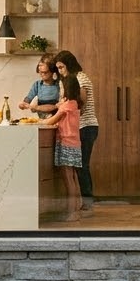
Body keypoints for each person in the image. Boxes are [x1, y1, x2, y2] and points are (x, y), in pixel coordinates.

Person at [52, 50, 98, 211]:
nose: (60, 71)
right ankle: (81, 202)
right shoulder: (66, 80)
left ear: (69, 64)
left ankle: (87, 201)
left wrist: (64, 106)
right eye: (58, 68)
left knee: (82, 165)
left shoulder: (80, 77)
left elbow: (81, 102)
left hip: (86, 126)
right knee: (77, 165)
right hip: (77, 127)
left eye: (62, 67)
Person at [45, 73, 84, 221]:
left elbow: (50, 121)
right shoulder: (74, 104)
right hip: (74, 143)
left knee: (68, 179)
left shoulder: (67, 106)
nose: (60, 90)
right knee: (73, 177)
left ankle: (72, 213)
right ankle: (76, 209)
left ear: (66, 89)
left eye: (61, 87)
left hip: (66, 143)